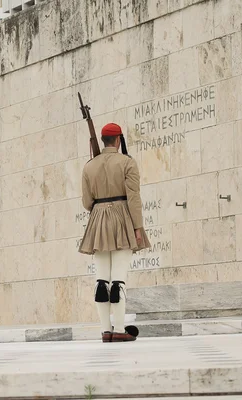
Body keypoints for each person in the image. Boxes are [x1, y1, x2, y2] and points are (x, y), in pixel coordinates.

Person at [79, 122, 151, 342]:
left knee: (102, 280)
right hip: (122, 219)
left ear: (102, 141)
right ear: (119, 140)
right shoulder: (127, 162)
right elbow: (134, 199)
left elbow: (86, 202)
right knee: (118, 280)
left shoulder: (89, 166)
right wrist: (138, 227)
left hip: (98, 220)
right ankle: (119, 329)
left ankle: (105, 330)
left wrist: (101, 210)